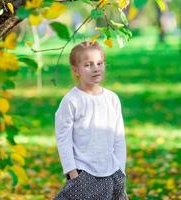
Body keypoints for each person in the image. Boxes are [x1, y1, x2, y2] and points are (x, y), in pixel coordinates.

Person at [54, 41, 128, 200]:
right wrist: (72, 172)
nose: (96, 68)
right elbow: (63, 138)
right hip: (83, 172)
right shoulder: (71, 101)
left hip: (112, 171)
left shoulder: (112, 99)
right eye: (88, 65)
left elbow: (119, 137)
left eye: (99, 63)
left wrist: (121, 169)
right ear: (76, 70)